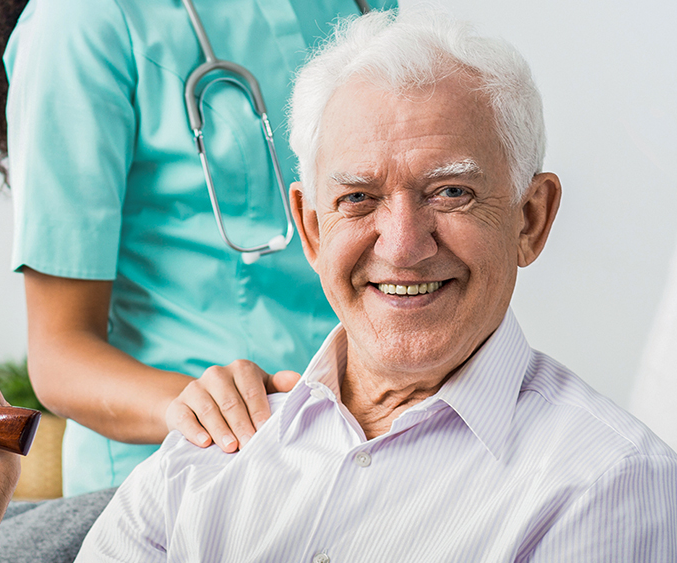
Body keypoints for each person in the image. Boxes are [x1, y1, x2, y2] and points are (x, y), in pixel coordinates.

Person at [73, 8, 677, 561]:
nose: (404, 245)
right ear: (312, 231)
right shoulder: (205, 452)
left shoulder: (609, 481)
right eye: (358, 198)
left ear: (530, 218)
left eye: (451, 192)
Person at [0, 0, 396, 499]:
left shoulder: (365, 8)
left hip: (364, 456)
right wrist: (208, 407)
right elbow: (60, 356)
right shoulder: (82, 22)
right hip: (182, 474)